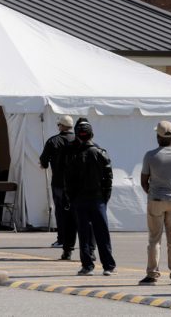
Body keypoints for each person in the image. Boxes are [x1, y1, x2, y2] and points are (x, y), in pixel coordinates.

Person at [63, 118, 116, 276]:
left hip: (80, 199)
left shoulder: (73, 155)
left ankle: (87, 265)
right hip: (97, 199)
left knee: (84, 234)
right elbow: (109, 178)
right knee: (102, 233)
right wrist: (105, 197)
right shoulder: (100, 153)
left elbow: (68, 180)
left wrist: (71, 198)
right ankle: (108, 265)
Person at [139, 120, 171, 286]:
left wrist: (152, 193)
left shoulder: (150, 155)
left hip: (156, 199)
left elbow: (144, 181)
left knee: (154, 239)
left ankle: (152, 274)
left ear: (158, 137)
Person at [40, 115, 77, 260]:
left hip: (59, 182)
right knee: (78, 213)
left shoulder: (53, 141)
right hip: (77, 183)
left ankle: (62, 239)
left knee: (61, 212)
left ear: (61, 126)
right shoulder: (78, 140)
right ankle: (83, 242)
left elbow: (43, 161)